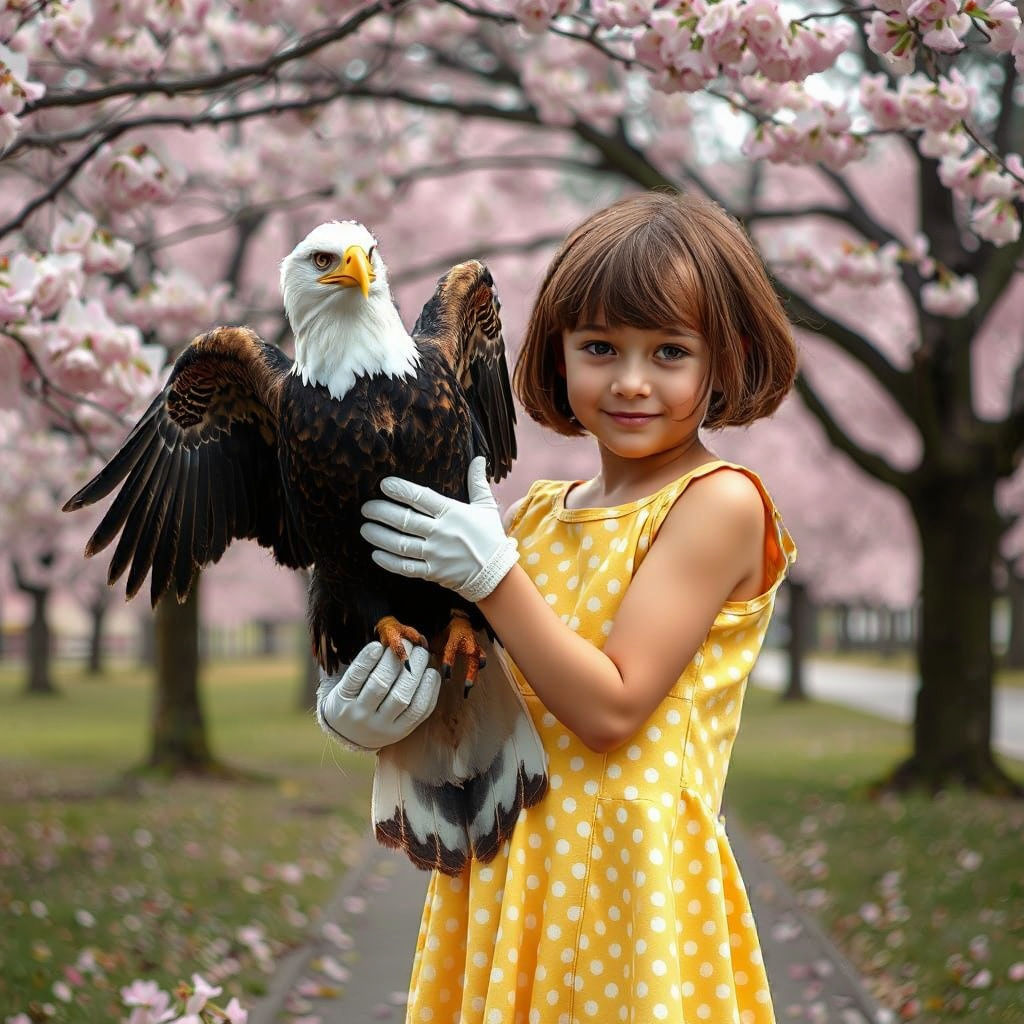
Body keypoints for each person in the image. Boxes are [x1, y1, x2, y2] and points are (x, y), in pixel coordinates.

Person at [319, 190, 798, 1024]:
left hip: (630, 885)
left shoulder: (718, 503)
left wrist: (494, 580)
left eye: (671, 352)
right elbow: (485, 696)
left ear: (728, 358)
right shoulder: (535, 515)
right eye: (601, 347)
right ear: (558, 351)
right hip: (511, 861)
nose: (632, 381)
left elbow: (612, 708)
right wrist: (376, 715)